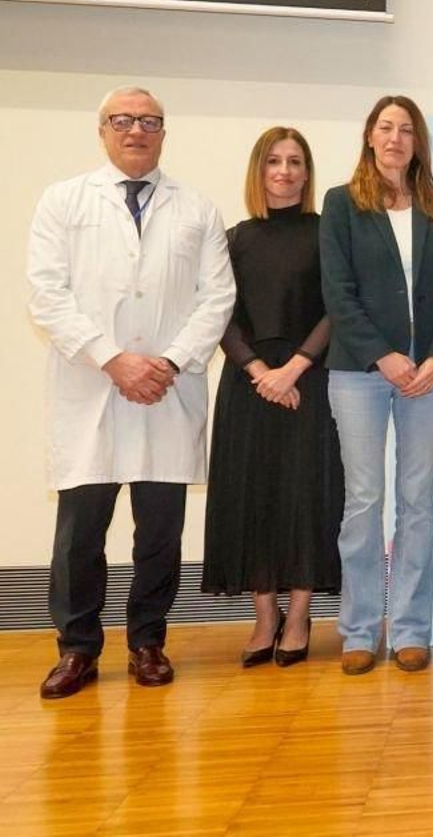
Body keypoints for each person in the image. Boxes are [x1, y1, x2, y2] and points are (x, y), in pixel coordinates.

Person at [28, 87, 235, 699]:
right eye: (124, 120)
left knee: (160, 533)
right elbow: (46, 292)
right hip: (90, 386)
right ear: (103, 130)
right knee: (80, 535)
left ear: (164, 133)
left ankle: (148, 641)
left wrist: (165, 362)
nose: (136, 131)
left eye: (149, 122)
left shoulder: (196, 208)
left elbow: (216, 297)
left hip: (168, 391)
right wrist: (112, 359)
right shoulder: (64, 201)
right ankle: (77, 649)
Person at [320, 95, 433, 676]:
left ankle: (409, 629)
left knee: (416, 504)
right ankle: (358, 630)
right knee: (363, 502)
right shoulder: (341, 203)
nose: (395, 138)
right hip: (360, 372)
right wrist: (383, 356)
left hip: (428, 374)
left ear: (418, 142)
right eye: (386, 127)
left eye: (406, 129)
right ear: (369, 136)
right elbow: (338, 292)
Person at [202, 127, 343, 668]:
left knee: (306, 495)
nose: (284, 171)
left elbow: (338, 306)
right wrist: (260, 371)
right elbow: (220, 313)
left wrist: (295, 368)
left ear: (307, 173)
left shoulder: (328, 232)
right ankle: (264, 618)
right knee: (254, 495)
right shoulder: (234, 238)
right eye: (274, 162)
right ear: (258, 171)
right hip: (249, 382)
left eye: (295, 162)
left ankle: (300, 615)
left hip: (310, 377)